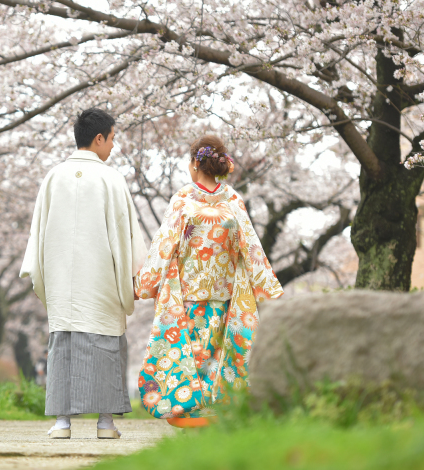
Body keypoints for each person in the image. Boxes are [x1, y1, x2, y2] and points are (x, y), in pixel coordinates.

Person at [134, 135, 283, 428]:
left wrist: (146, 283)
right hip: (219, 290)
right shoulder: (233, 200)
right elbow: (251, 246)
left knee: (197, 353)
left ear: (194, 163)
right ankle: (210, 412)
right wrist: (267, 288)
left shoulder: (184, 199)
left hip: (192, 290)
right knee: (213, 353)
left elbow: (165, 244)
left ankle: (197, 413)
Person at [20, 107, 147, 439]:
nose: (113, 146)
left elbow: (38, 231)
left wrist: (41, 269)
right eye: (112, 138)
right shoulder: (110, 178)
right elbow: (126, 232)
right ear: (99, 138)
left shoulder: (54, 176)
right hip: (101, 276)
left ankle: (62, 422)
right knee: (105, 342)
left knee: (63, 342)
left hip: (61, 274)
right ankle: (105, 423)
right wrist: (134, 274)